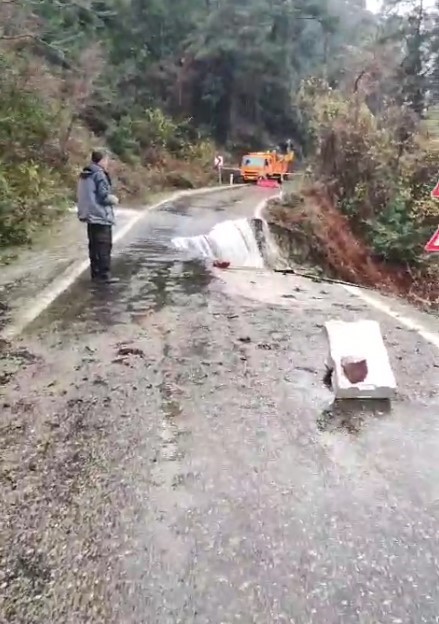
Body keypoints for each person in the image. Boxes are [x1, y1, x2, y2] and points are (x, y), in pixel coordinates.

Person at [77, 149, 120, 283]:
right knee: (104, 246)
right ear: (102, 160)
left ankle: (95, 274)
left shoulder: (86, 173)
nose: (107, 163)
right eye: (107, 160)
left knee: (94, 246)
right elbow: (103, 196)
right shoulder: (99, 174)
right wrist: (114, 199)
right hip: (100, 216)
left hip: (89, 215)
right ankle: (104, 275)